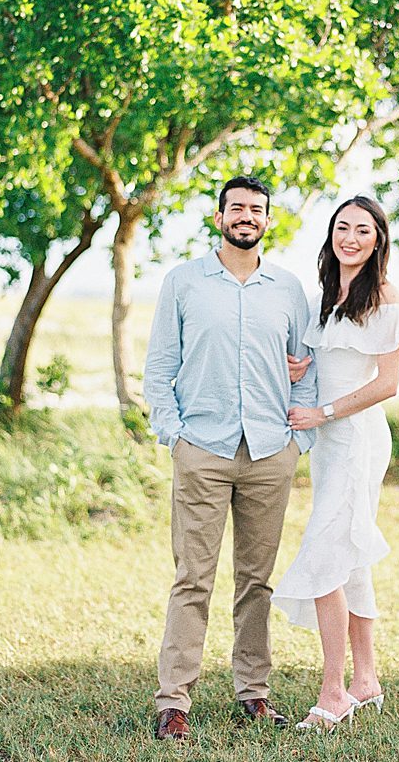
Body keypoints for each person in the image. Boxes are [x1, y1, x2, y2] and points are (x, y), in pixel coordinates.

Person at [143, 174, 320, 742]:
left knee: (256, 582)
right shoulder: (184, 283)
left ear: (269, 221)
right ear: (219, 217)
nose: (246, 216)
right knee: (192, 579)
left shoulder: (287, 289)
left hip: (271, 452)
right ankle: (174, 701)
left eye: (257, 210)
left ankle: (254, 694)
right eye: (236, 208)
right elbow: (158, 368)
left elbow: (306, 369)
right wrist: (176, 437)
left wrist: (300, 441)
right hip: (204, 451)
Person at [271, 195, 399, 732]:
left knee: (326, 554)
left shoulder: (384, 296)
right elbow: (325, 362)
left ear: (378, 242)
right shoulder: (328, 295)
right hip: (328, 446)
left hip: (357, 440)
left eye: (363, 230)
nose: (350, 237)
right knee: (349, 553)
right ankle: (367, 678)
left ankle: (333, 692)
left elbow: (387, 384)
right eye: (342, 227)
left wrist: (322, 411)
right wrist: (303, 364)